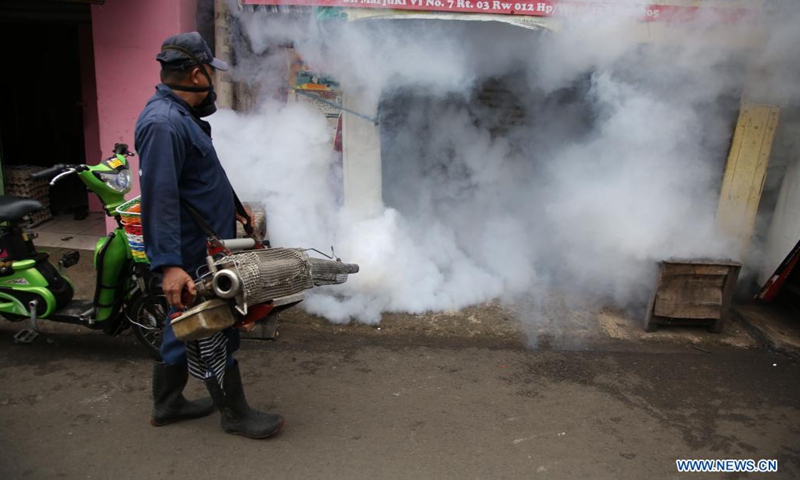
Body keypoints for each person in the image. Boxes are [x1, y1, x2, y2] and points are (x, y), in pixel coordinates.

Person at [134, 32, 284, 439]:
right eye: (210, 74)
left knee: (181, 323)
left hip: (203, 244)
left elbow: (202, 176)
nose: (214, 83)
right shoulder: (164, 124)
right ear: (197, 74)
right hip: (188, 250)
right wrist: (169, 266)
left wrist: (234, 204)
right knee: (213, 324)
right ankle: (234, 414)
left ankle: (167, 404)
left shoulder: (181, 118)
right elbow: (160, 199)